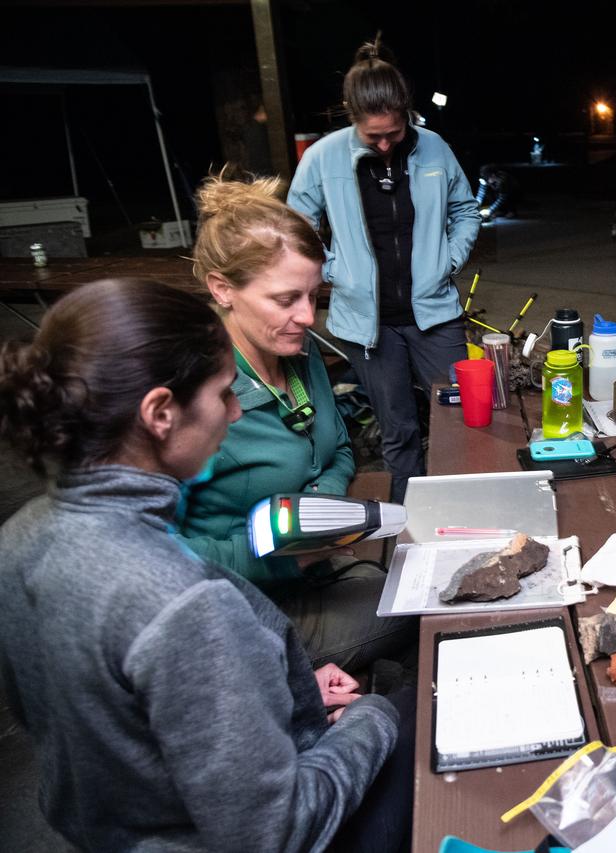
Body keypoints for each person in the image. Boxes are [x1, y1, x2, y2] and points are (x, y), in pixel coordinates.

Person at [0, 278, 413, 852]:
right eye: (223, 394)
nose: (237, 410)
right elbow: (279, 832)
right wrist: (375, 717)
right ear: (160, 413)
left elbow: (113, 724)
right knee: (421, 711)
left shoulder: (17, 539)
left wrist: (268, 688)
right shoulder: (184, 601)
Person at [179, 175, 415, 673]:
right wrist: (277, 555)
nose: (308, 317)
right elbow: (150, 553)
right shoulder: (195, 397)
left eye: (314, 295)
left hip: (314, 570)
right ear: (222, 289)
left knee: (422, 581)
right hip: (241, 610)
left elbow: (341, 449)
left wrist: (312, 507)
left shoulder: (298, 356)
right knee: (422, 610)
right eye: (286, 300)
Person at [288, 35, 481, 502]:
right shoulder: (322, 158)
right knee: (398, 430)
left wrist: (448, 260)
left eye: (393, 133)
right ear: (351, 117)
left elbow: (466, 211)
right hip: (366, 325)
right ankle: (409, 520)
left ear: (406, 115)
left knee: (461, 416)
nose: (384, 143)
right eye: (372, 136)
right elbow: (294, 228)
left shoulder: (434, 148)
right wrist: (335, 270)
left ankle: (469, 505)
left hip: (435, 315)